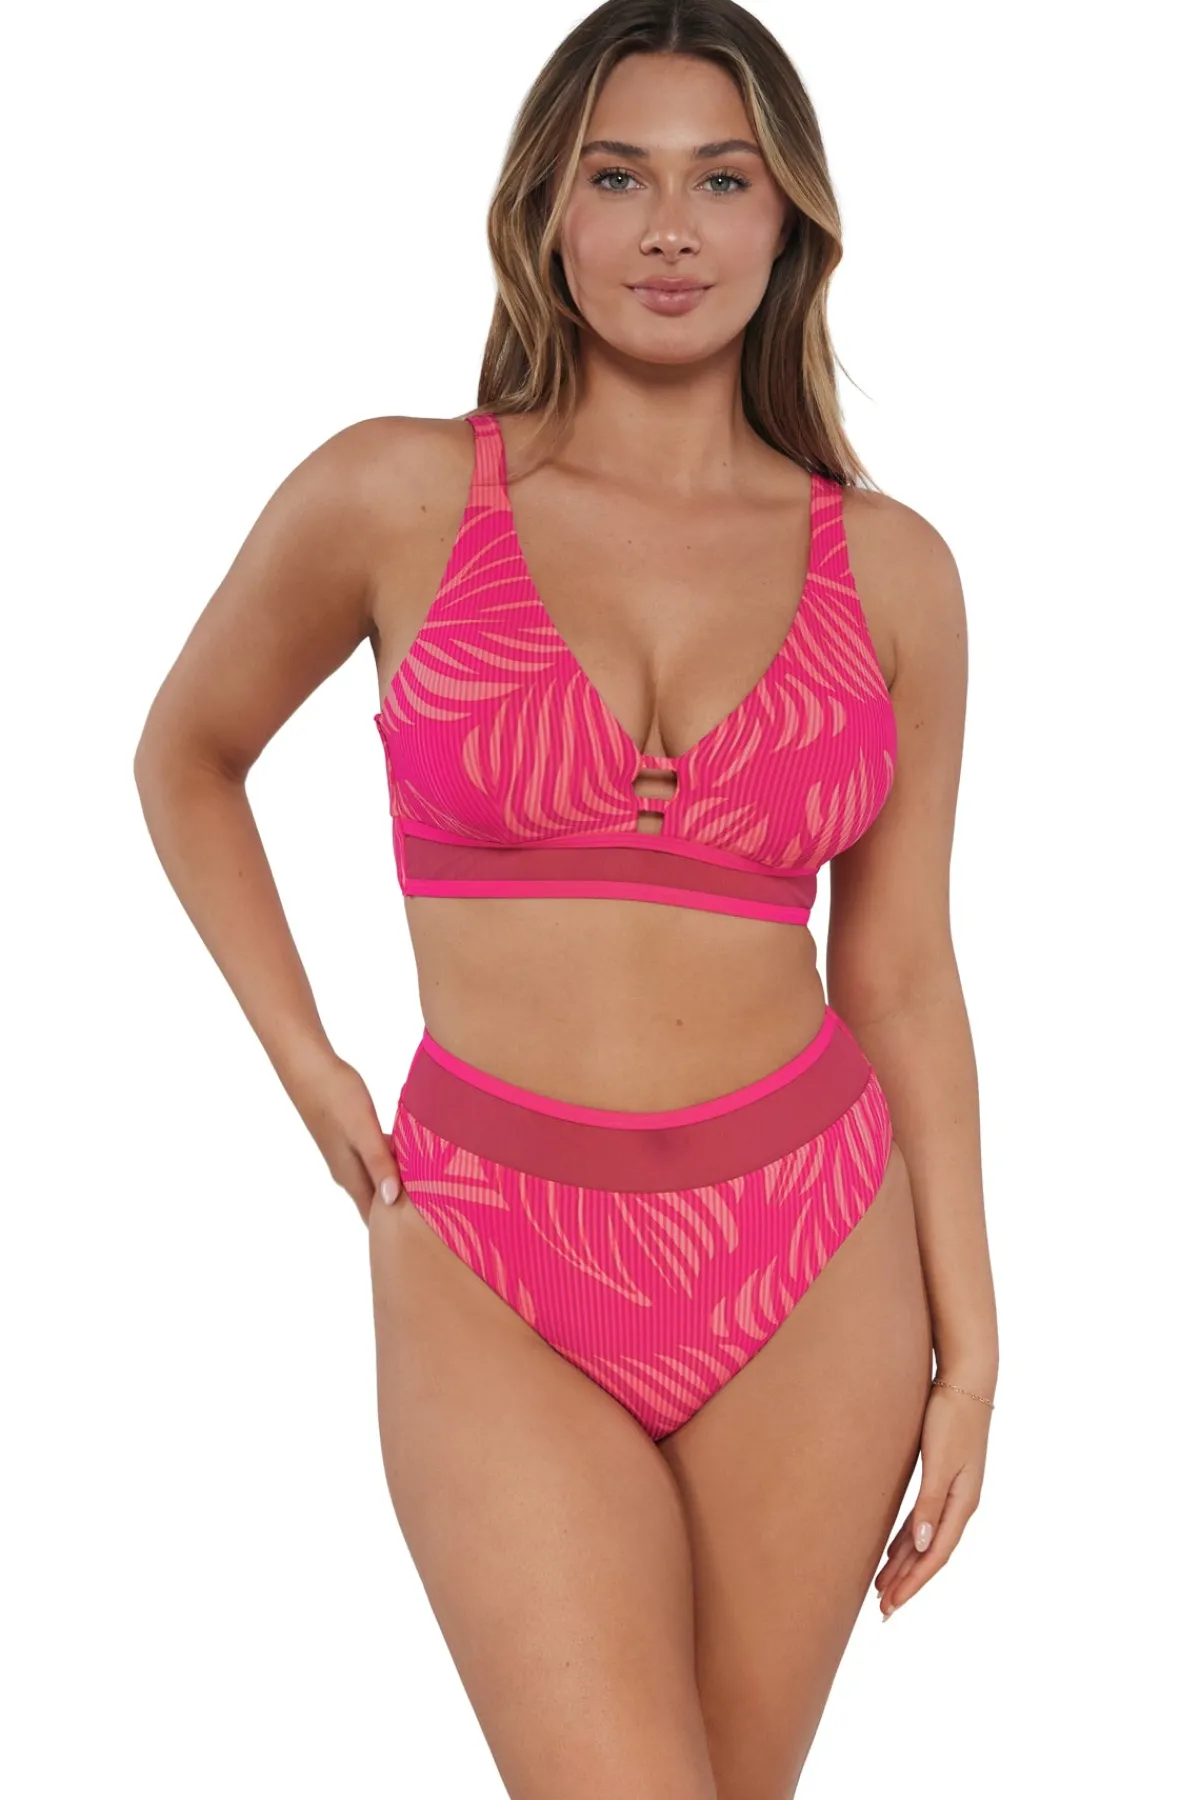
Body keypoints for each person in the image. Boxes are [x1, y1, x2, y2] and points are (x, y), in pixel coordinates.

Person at [134, 1, 998, 1793]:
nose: (670, 228)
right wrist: (307, 1062)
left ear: (791, 218)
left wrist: (973, 1340)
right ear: (545, 211)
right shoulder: (394, 493)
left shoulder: (894, 570)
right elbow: (188, 754)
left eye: (722, 180)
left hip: (817, 1251)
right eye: (618, 178)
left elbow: (901, 971)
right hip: (485, 1249)